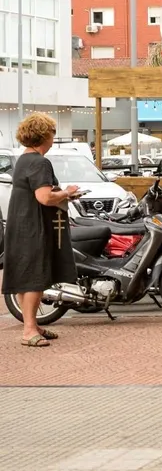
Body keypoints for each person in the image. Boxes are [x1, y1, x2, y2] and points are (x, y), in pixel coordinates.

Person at [2, 113, 78, 347]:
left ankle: (32, 325)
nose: (53, 139)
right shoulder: (39, 162)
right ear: (44, 136)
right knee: (35, 278)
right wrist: (68, 192)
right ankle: (28, 331)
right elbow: (45, 197)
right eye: (52, 134)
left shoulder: (23, 159)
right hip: (35, 227)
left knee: (24, 278)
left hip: (19, 224)